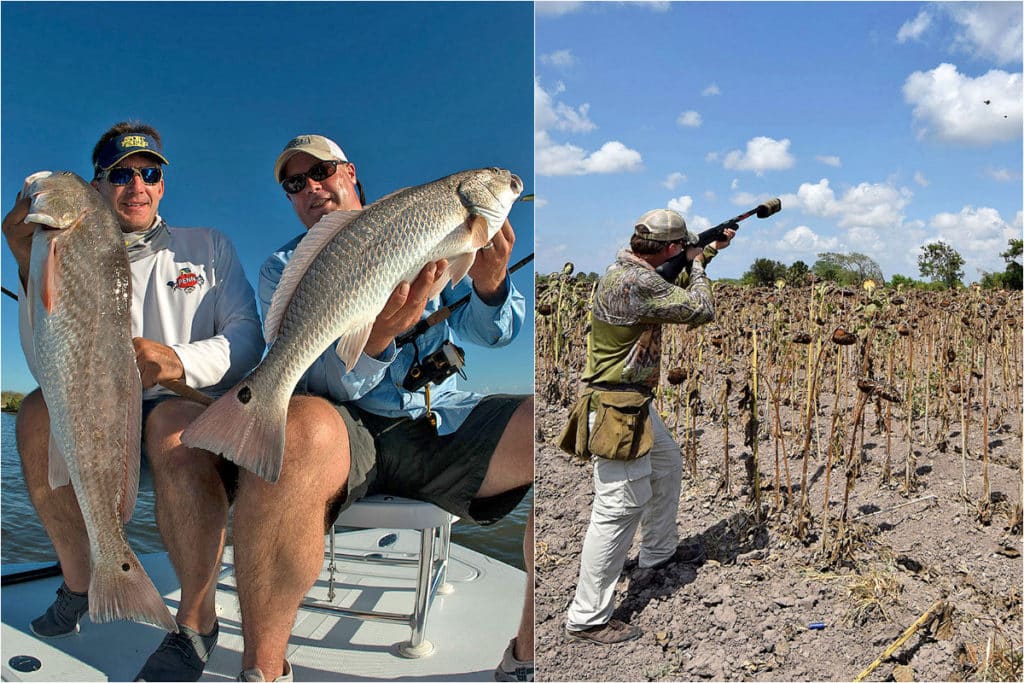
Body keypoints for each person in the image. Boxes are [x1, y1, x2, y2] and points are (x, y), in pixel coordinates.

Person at [217, 134, 535, 682]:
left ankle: (528, 660)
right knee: (300, 428)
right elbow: (319, 379)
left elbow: (497, 334)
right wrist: (377, 340)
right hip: (345, 428)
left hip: (436, 418)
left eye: (321, 171)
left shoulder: (432, 228)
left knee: (548, 426)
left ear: (350, 173)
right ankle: (262, 672)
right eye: (295, 183)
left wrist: (490, 282)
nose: (311, 187)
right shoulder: (283, 267)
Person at [2, 121, 266, 681]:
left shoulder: (209, 247)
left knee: (170, 421)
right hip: (96, 418)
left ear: (163, 184)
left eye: (149, 173)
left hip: (185, 408)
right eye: (120, 174)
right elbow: (43, 357)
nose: (136, 185)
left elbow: (249, 338)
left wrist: (178, 359)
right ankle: (81, 581)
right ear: (97, 187)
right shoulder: (60, 246)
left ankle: (196, 622)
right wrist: (28, 264)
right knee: (34, 413)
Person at [563, 208, 733, 645]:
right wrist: (698, 264)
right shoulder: (636, 282)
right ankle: (587, 618)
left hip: (633, 400)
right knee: (618, 507)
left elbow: (668, 286)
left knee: (668, 463)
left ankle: (657, 554)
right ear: (672, 248)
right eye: (683, 247)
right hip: (617, 407)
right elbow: (699, 308)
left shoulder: (629, 269)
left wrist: (707, 251)